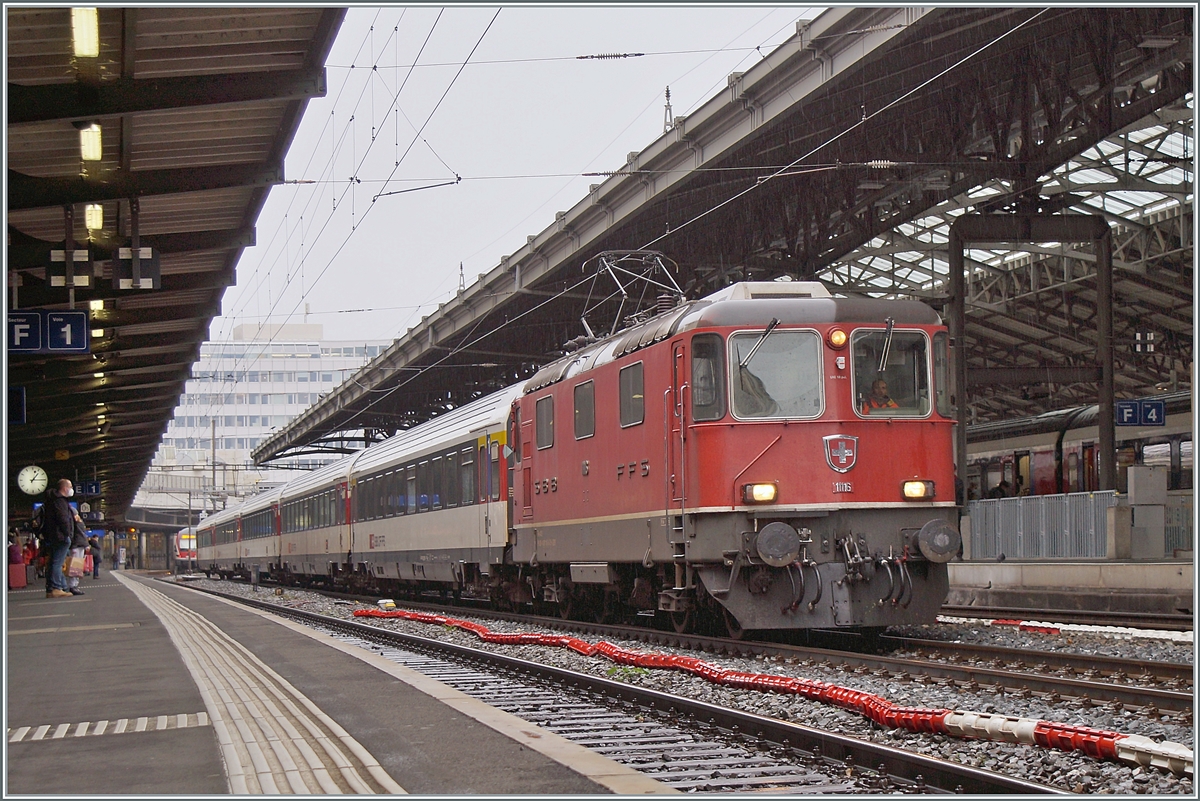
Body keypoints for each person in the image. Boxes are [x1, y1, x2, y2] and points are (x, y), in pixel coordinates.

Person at [42, 479, 77, 598]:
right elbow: (63, 519)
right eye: (71, 486)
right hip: (60, 536)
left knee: (53, 562)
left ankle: (52, 589)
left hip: (53, 536)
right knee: (57, 563)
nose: (72, 489)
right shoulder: (60, 501)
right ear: (65, 488)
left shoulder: (51, 500)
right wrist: (68, 534)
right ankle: (57, 588)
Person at [65, 520, 89, 596]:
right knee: (75, 566)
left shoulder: (75, 523)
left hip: (78, 545)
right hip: (77, 545)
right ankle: (72, 586)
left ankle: (74, 585)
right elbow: (79, 534)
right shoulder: (75, 523)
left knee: (76, 566)